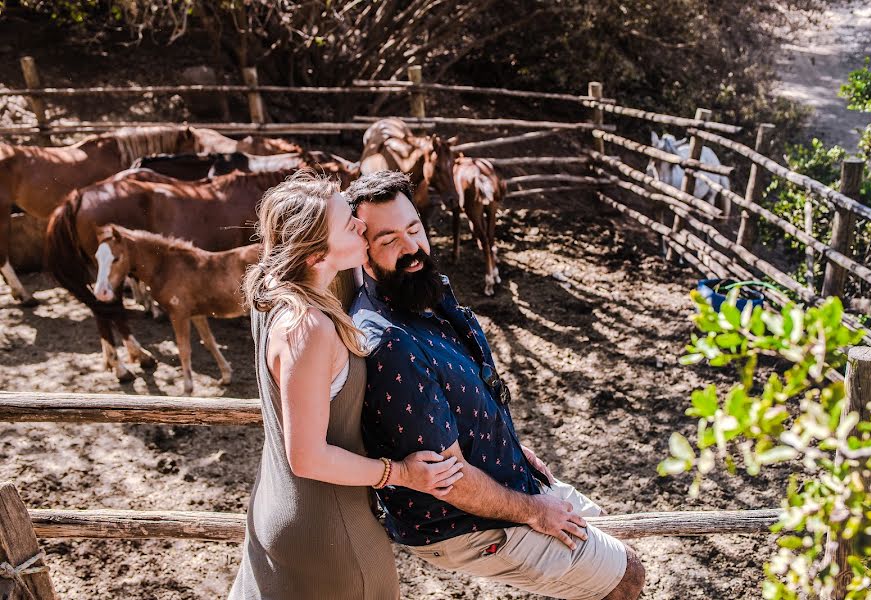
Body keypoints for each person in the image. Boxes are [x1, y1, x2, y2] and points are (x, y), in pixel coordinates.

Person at [347, 171, 645, 600]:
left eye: (414, 229)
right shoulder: (392, 342)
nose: (412, 248)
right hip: (457, 522)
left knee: (603, 535)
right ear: (362, 250)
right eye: (389, 240)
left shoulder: (415, 293)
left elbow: (456, 403)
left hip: (497, 481)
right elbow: (448, 480)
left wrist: (509, 450)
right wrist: (535, 512)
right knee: (626, 577)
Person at [229, 170, 465, 600]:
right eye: (347, 223)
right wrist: (403, 474)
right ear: (317, 256)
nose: (360, 223)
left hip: (278, 511)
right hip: (332, 533)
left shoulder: (273, 294)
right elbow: (307, 457)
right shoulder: (310, 328)